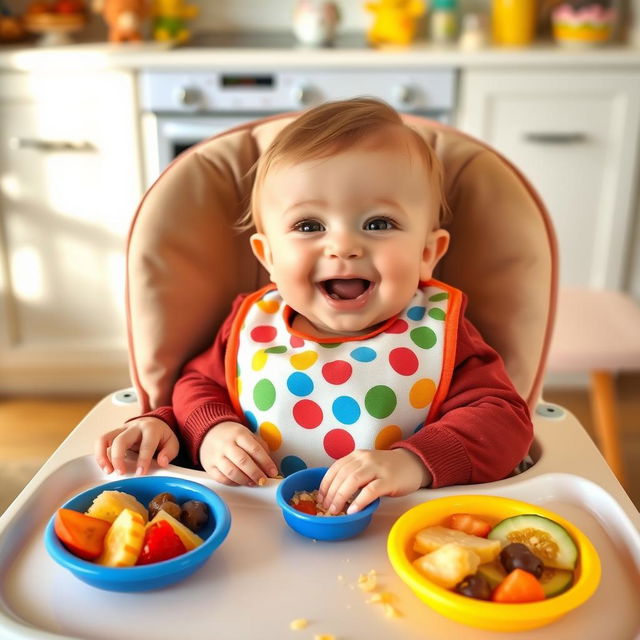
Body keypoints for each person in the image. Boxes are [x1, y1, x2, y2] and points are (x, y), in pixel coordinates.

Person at [95, 98, 533, 515]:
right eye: (309, 225)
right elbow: (196, 387)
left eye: (378, 223)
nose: (343, 245)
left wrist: (413, 463)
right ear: (268, 257)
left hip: (396, 537)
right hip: (252, 532)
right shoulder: (253, 324)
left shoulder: (442, 333)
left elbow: (504, 422)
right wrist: (208, 431)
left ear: (426, 253)